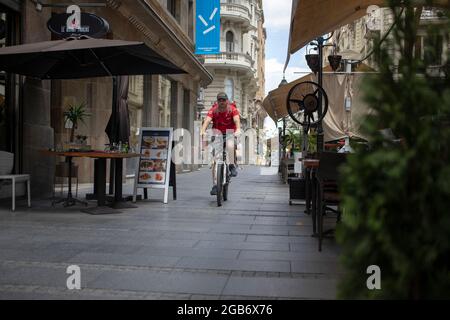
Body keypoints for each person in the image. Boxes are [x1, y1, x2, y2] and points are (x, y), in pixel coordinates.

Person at [200, 92, 241, 196]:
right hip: (217, 134)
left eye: (223, 100)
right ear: (217, 102)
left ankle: (232, 165)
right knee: (215, 160)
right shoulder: (214, 110)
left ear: (227, 101)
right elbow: (207, 121)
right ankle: (215, 184)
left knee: (231, 144)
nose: (222, 102)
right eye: (220, 100)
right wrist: (203, 130)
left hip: (230, 132)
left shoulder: (232, 109)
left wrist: (238, 130)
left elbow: (237, 120)